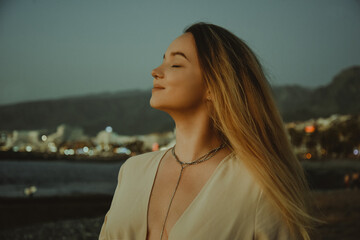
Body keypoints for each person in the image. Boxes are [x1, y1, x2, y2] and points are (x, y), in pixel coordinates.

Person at [99, 22, 319, 240]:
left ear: (213, 86)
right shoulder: (132, 171)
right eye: (163, 60)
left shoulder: (258, 187)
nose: (155, 71)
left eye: (175, 64)